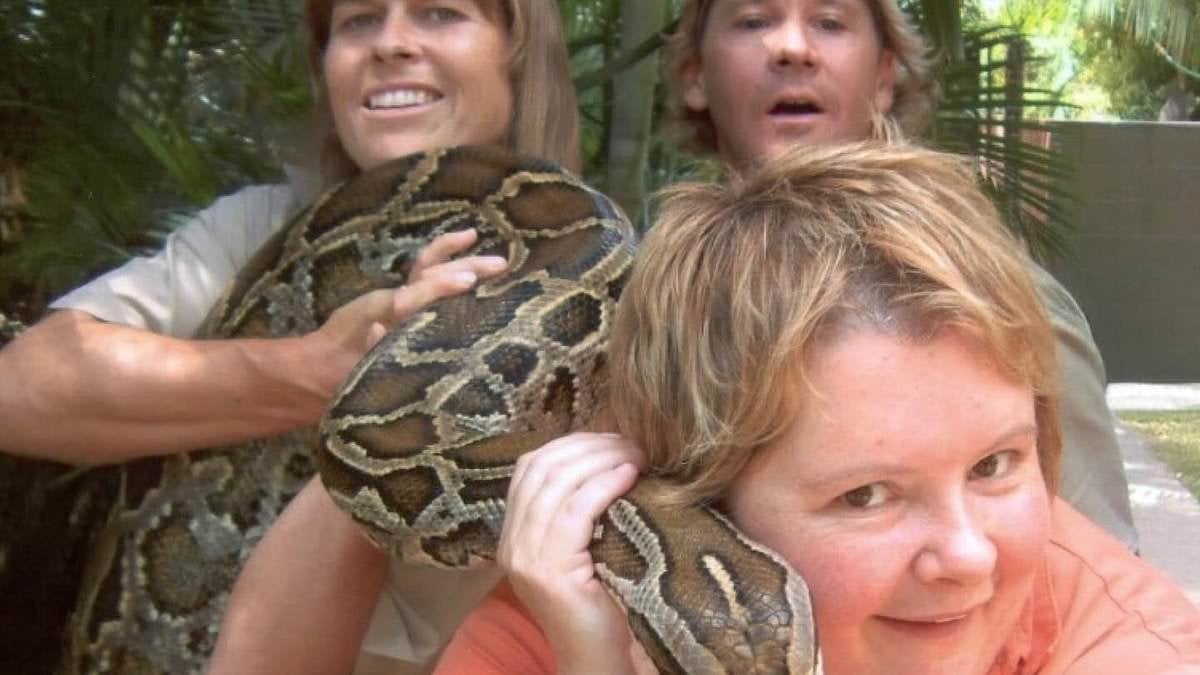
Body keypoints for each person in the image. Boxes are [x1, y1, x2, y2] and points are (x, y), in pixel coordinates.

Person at [435, 142, 1200, 675]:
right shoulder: (557, 626)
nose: (970, 555)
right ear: (698, 499)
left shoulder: (1139, 648)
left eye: (994, 464)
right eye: (864, 494)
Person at [0, 0, 580, 672]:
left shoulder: (621, 287)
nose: (391, 43)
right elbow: (20, 388)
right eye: (358, 21)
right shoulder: (259, 230)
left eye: (438, 13)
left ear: (518, 52)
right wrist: (321, 370)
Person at [657, 0, 1138, 551]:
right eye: (754, 21)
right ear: (694, 75)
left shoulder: (982, 293)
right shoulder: (648, 299)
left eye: (830, 22)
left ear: (885, 77)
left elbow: (1106, 574)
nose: (792, 47)